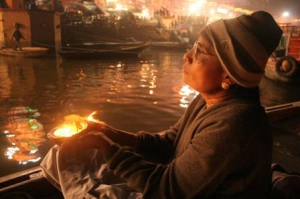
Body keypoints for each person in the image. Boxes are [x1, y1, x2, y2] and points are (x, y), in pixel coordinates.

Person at [41, 11, 282, 199]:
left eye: (200, 51)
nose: (187, 55)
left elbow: (167, 191)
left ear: (229, 76)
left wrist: (105, 146)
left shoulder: (235, 123)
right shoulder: (206, 100)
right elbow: (168, 145)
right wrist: (109, 133)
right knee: (62, 155)